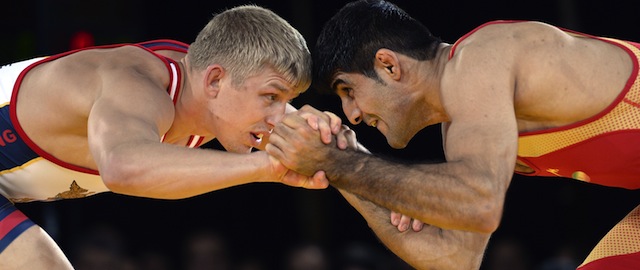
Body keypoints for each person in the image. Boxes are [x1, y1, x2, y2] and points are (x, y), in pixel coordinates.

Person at [266, 0, 640, 269]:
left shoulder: (480, 58)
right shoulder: (460, 129)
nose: (352, 115)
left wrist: (343, 162)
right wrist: (338, 165)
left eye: (348, 90)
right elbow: (456, 260)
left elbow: (480, 202)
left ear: (389, 65)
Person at [0, 5, 343, 269]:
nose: (280, 117)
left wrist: (391, 201)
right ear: (214, 81)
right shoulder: (135, 85)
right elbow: (122, 168)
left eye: (287, 102)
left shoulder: (222, 96)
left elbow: (334, 156)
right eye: (272, 97)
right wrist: (263, 168)